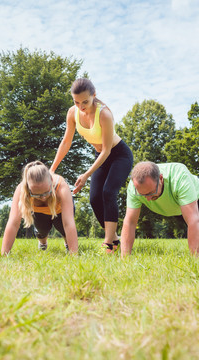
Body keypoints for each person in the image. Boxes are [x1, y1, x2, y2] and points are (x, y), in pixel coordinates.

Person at [50, 78, 133, 253]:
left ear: (94, 95)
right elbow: (66, 142)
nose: (81, 106)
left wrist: (86, 174)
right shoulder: (72, 113)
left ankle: (109, 242)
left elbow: (107, 151)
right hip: (100, 156)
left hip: (118, 155)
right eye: (76, 102)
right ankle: (115, 239)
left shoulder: (104, 114)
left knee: (108, 192)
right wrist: (52, 169)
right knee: (94, 199)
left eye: (85, 102)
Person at [120, 161, 199, 257]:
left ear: (161, 179)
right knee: (188, 222)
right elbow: (130, 222)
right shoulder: (134, 187)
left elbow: (193, 220)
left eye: (151, 192)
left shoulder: (179, 176)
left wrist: (195, 261)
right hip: (173, 206)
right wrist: (124, 259)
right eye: (143, 194)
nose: (148, 199)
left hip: (198, 194)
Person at [1, 161, 78, 255]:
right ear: (28, 188)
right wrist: (4, 254)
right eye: (36, 194)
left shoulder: (61, 187)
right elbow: (13, 223)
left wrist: (74, 255)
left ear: (51, 180)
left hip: (59, 210)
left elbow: (68, 223)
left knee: (62, 227)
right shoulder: (21, 190)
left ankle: (68, 244)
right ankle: (42, 243)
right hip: (39, 212)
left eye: (46, 192)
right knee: (42, 230)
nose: (43, 197)